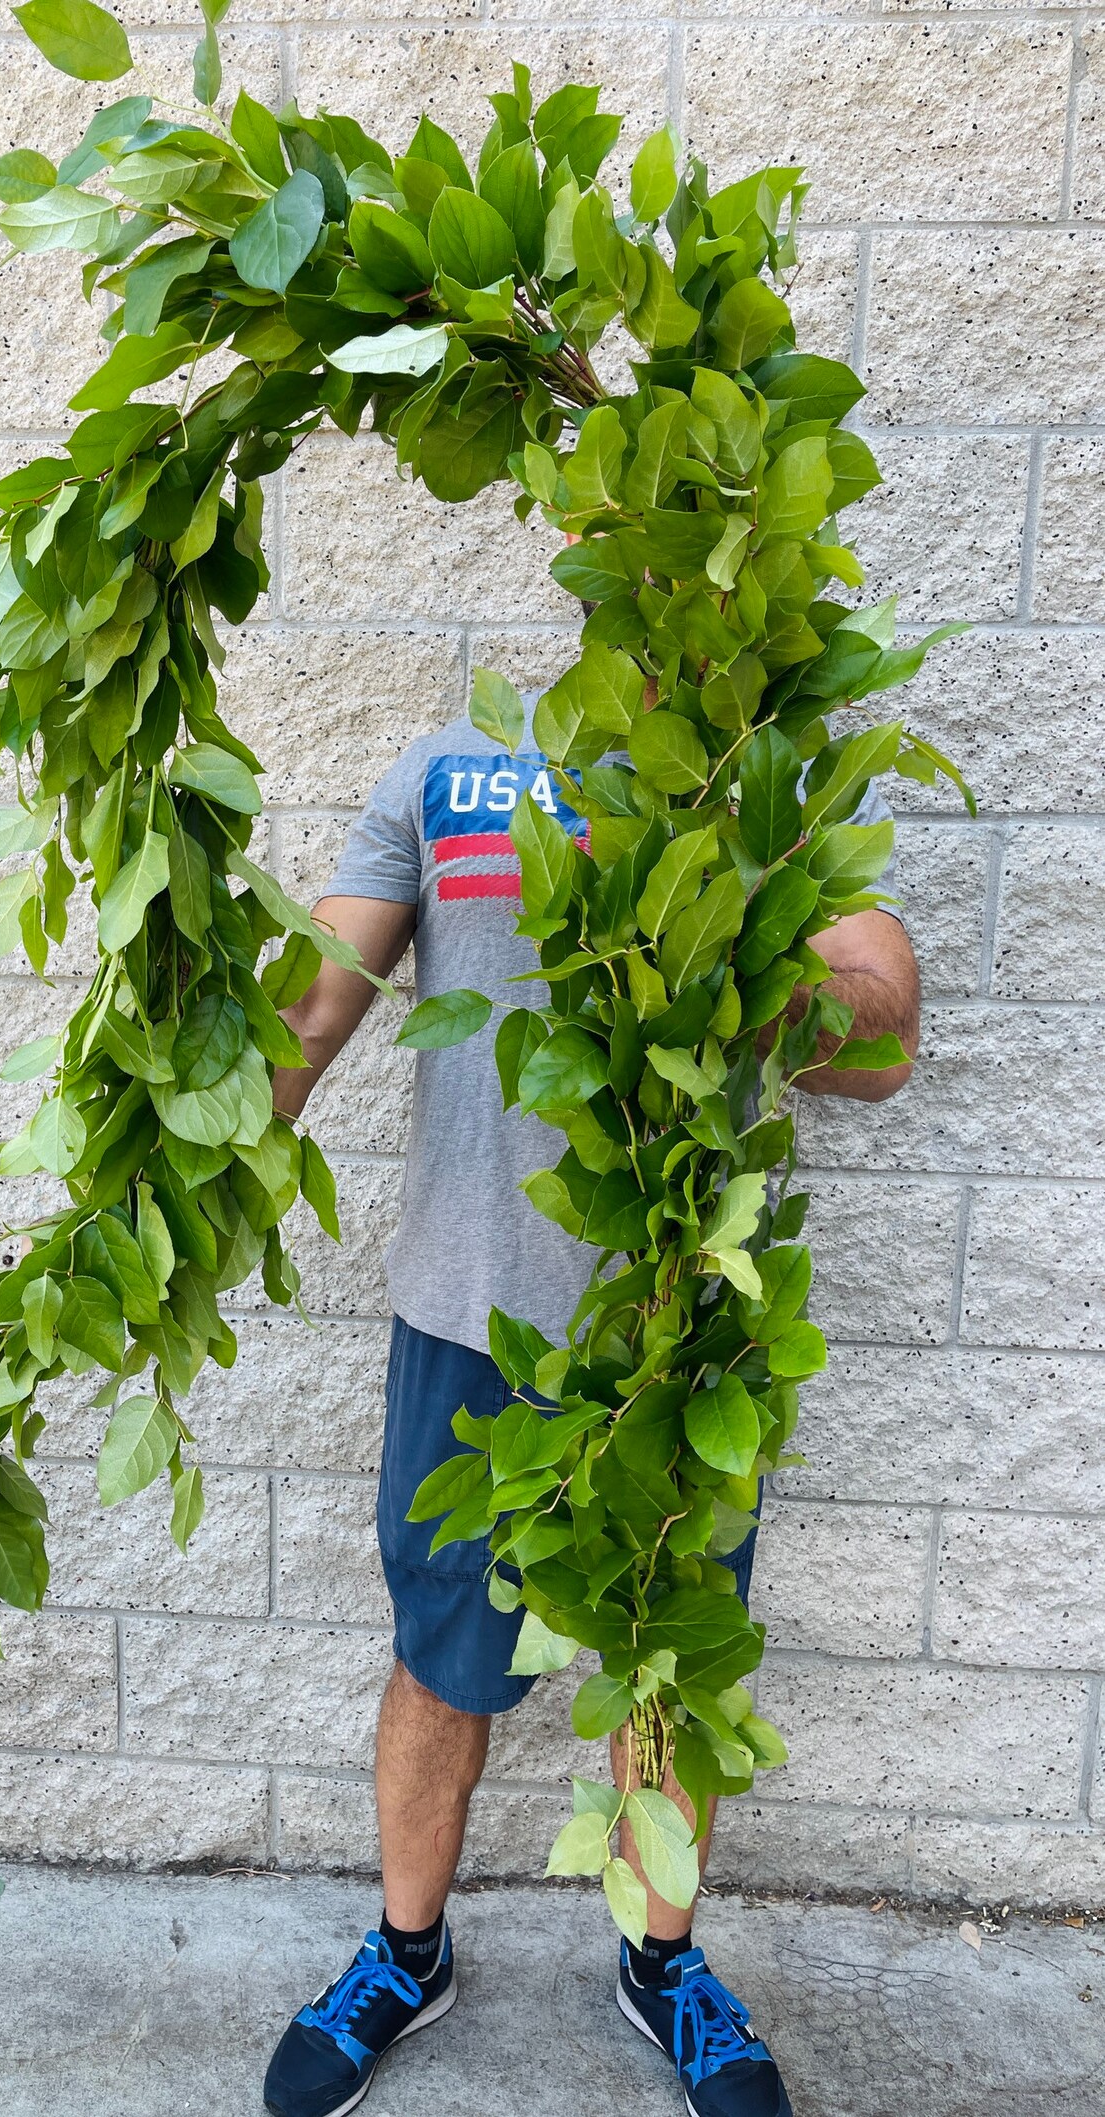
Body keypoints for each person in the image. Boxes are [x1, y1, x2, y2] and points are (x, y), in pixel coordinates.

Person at [261, 700, 921, 2117]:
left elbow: (882, 1036)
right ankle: (407, 1949)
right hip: (464, 1326)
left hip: (679, 1342)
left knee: (670, 1671)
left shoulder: (756, 772)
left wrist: (731, 961)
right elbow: (311, 1015)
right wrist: (168, 1142)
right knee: (443, 1659)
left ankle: (660, 1964)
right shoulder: (449, 774)